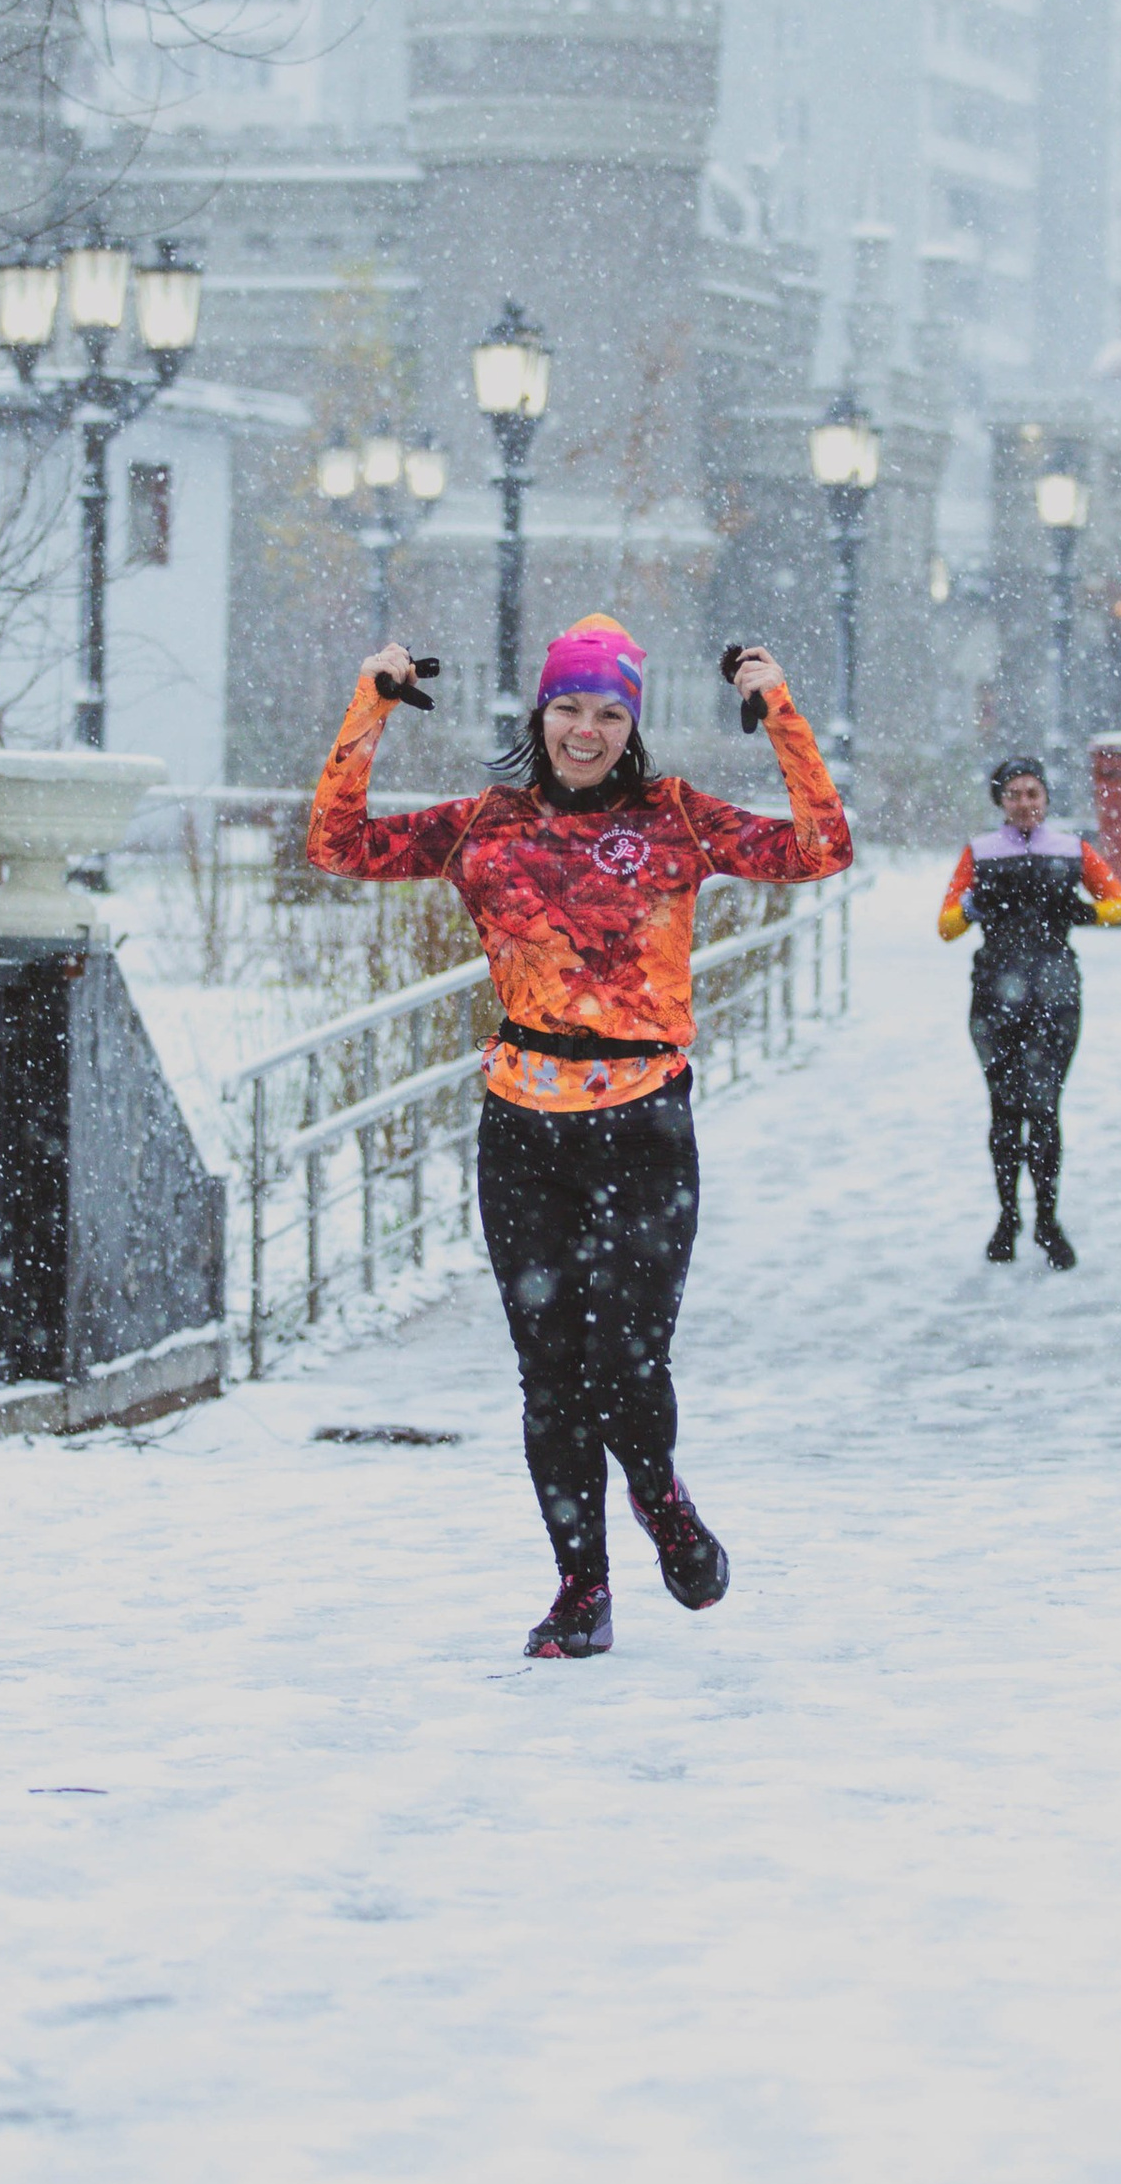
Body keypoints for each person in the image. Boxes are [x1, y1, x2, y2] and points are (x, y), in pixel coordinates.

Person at [307, 614, 852, 1658]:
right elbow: (337, 845)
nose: (586, 729)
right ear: (542, 713)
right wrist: (366, 706)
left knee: (627, 1361)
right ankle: (581, 1590)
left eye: (608, 711)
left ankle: (660, 1498)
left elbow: (822, 848)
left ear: (631, 722)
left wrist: (778, 709)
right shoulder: (488, 826)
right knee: (550, 1375)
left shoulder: (677, 819)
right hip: (523, 1131)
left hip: (644, 1123)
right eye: (569, 707)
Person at [937, 757, 1121, 1269]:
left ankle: (1047, 1219)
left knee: (1044, 1109)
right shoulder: (980, 853)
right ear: (1000, 801)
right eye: (1015, 795)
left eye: (1033, 794)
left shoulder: (1072, 850)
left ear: (1046, 798)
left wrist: (1084, 912)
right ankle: (1007, 1218)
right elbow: (946, 925)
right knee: (1004, 1111)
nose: (1025, 804)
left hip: (1056, 995)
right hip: (995, 997)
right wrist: (974, 907)